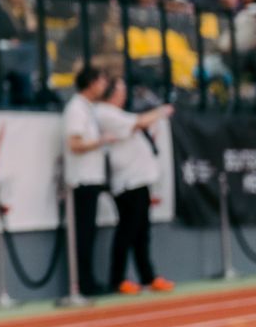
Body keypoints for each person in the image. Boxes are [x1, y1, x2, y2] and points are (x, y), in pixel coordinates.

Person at [95, 79, 174, 295]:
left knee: (141, 232)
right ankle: (118, 279)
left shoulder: (118, 113)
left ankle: (147, 276)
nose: (124, 94)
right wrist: (160, 111)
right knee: (127, 230)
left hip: (139, 179)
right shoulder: (105, 113)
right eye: (120, 90)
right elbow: (139, 122)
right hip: (126, 181)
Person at [62, 62, 115, 299]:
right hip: (81, 180)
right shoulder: (76, 109)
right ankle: (83, 283)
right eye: (101, 81)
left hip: (92, 178)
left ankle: (88, 280)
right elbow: (74, 143)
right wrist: (101, 141)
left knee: (89, 233)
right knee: (83, 234)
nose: (104, 86)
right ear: (91, 83)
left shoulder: (88, 108)